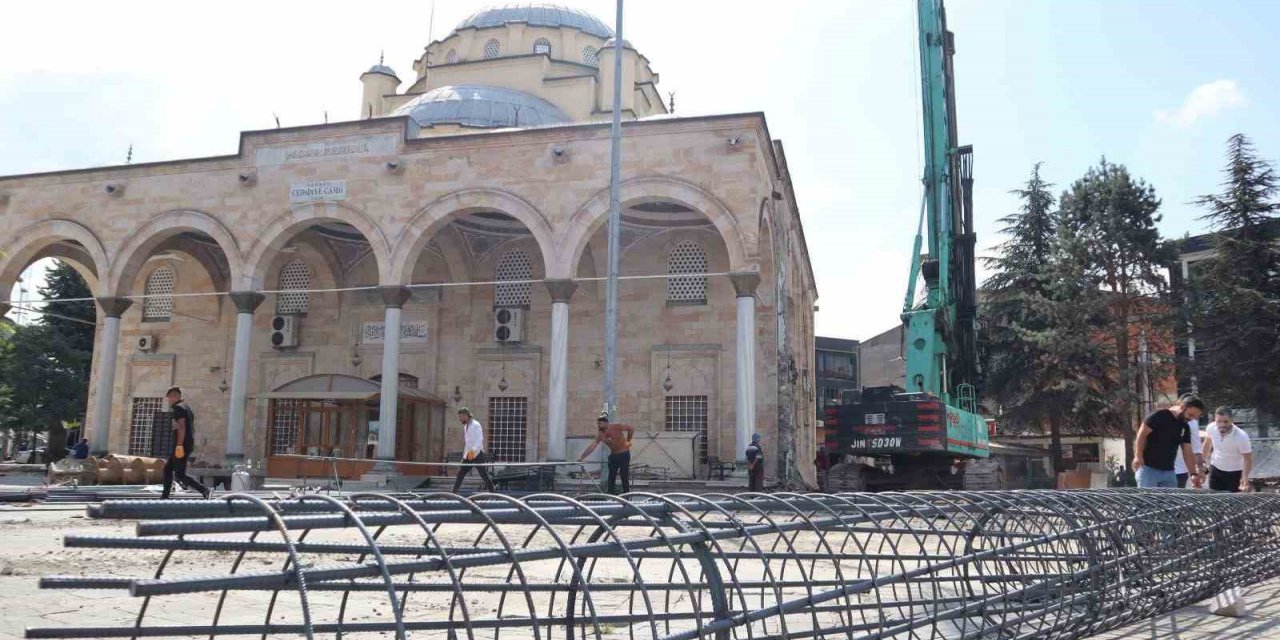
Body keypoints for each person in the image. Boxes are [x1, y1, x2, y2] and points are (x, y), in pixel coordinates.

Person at [1133, 395, 1205, 489]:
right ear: (1182, 407)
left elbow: (1187, 451)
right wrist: (1138, 456)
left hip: (1169, 472)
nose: (1191, 419)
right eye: (1190, 415)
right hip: (1148, 469)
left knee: (1170, 503)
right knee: (1147, 502)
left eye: (1195, 417)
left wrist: (1193, 473)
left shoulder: (1185, 427)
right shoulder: (1159, 416)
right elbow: (1141, 434)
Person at [162, 387, 211, 499]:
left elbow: (182, 427)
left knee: (179, 474)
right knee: (168, 469)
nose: (169, 401)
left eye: (169, 398)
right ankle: (165, 496)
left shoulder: (178, 408)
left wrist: (179, 446)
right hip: (186, 444)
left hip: (181, 445)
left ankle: (204, 490)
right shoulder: (187, 407)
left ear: (174, 396)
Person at [578, 412, 634, 494]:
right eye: (598, 424)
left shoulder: (616, 426)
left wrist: (628, 440)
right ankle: (610, 495)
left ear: (605, 423)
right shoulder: (601, 434)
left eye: (600, 423)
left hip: (623, 454)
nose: (599, 425)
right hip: (614, 455)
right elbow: (593, 446)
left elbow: (631, 428)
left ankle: (627, 496)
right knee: (611, 477)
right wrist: (582, 457)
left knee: (624, 476)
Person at [1202, 407, 1252, 493]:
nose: (1222, 425)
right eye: (1219, 421)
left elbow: (1247, 459)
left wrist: (1244, 477)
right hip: (1215, 469)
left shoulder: (1241, 436)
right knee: (1214, 499)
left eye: (1226, 421)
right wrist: (1202, 463)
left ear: (1232, 420)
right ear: (1215, 420)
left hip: (1234, 473)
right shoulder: (1211, 428)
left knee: (1233, 502)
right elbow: (1207, 443)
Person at [451, 407, 495, 493]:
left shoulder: (476, 424)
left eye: (461, 416)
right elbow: (467, 444)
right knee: (461, 473)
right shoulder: (465, 426)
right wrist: (464, 456)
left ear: (466, 416)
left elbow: (480, 440)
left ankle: (493, 492)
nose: (460, 418)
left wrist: (473, 452)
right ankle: (454, 492)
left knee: (484, 475)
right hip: (469, 454)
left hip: (477, 454)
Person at [1173, 394, 1205, 488]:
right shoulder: (1166, 417)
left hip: (1180, 470)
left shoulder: (1192, 424)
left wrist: (1199, 468)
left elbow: (1196, 448)